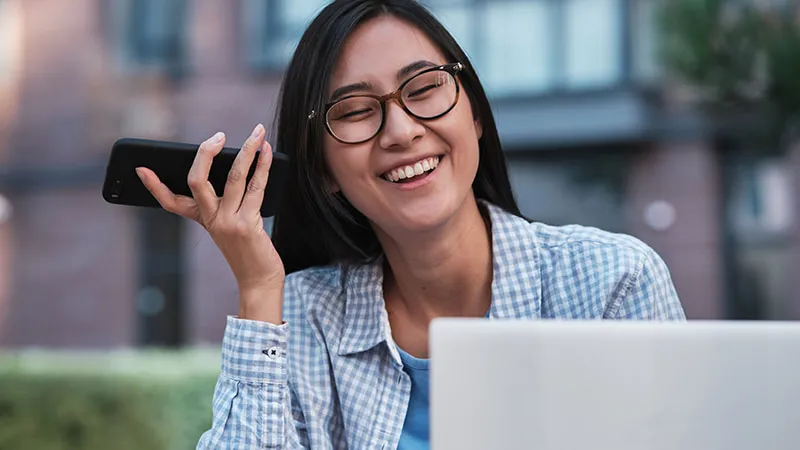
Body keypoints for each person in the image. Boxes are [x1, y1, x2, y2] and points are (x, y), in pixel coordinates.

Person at [136, 1, 686, 448]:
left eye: (423, 90)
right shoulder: (302, 320)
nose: (400, 131)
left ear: (472, 112)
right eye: (354, 112)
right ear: (324, 170)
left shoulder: (612, 283)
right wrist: (258, 288)